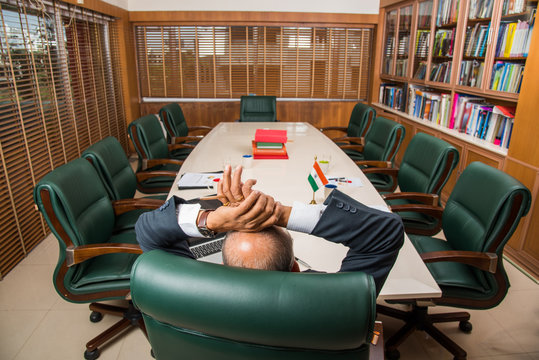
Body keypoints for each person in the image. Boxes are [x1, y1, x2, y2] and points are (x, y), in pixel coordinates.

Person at [135, 165, 404, 295]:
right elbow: (387, 231)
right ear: (296, 269)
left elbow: (147, 230)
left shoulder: (189, 295)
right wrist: (280, 213)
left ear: (224, 268)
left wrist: (215, 217)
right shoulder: (336, 301)